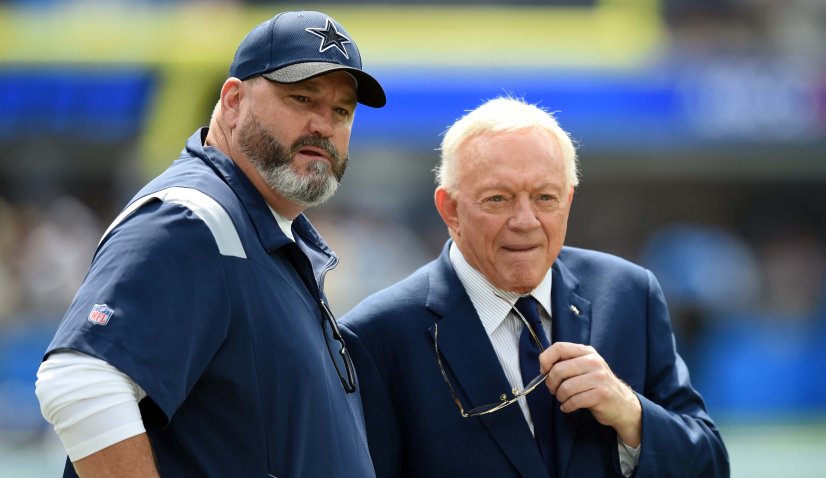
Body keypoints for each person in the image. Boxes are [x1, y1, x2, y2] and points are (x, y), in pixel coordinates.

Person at [35, 10, 385, 478]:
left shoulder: (262, 230)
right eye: (301, 98)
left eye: (341, 110)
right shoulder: (193, 216)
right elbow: (78, 383)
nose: (324, 124)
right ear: (234, 100)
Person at [340, 97, 730, 478]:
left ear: (569, 200)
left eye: (545, 197)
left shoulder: (629, 293)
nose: (525, 220)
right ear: (450, 210)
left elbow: (709, 464)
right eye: (498, 199)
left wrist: (630, 412)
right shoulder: (375, 335)